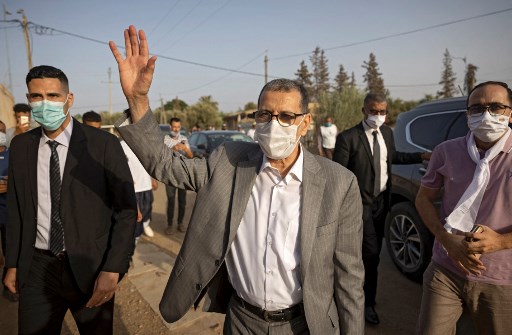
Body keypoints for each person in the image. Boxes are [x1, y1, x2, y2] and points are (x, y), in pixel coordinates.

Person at [110, 25, 365, 334]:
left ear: (305, 123)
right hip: (243, 321)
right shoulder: (228, 161)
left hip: (304, 324)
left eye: (286, 117)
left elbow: (349, 277)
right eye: (264, 115)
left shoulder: (339, 183)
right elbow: (165, 165)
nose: (274, 125)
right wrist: (138, 100)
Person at [3, 65, 137, 334]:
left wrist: (112, 269)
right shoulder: (21, 147)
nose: (44, 103)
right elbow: (17, 210)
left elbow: (125, 211)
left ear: (69, 99)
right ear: (29, 99)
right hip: (38, 267)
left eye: (53, 96)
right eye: (36, 97)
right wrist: (13, 263)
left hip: (90, 268)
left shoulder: (102, 145)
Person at [415, 81, 512, 335]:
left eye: (496, 107)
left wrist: (501, 241)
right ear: (468, 114)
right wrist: (447, 240)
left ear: (510, 113)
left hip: (503, 279)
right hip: (445, 269)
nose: (487, 115)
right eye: (477, 108)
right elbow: (423, 199)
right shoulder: (446, 151)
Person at [333, 93, 430, 325]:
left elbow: (393, 156)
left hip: (381, 204)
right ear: (363, 110)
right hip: (359, 205)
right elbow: (338, 175)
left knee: (370, 255)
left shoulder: (387, 133)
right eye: (374, 111)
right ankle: (364, 304)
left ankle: (362, 297)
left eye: (383, 112)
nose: (378, 116)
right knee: (372, 254)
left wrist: (421, 155)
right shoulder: (348, 138)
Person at [163, 117, 193, 235]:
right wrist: (173, 148)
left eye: (178, 127)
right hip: (170, 175)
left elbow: (191, 156)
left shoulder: (184, 139)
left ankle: (180, 223)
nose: (176, 129)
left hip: (182, 175)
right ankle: (169, 225)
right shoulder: (165, 139)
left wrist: (185, 148)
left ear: (180, 127)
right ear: (170, 127)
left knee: (182, 201)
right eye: (174, 127)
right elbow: (162, 157)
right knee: (171, 201)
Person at [0, 121, 14, 302]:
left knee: (10, 250)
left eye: (2, 131)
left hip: (8, 215)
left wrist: (11, 184)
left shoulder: (14, 155)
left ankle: (7, 286)